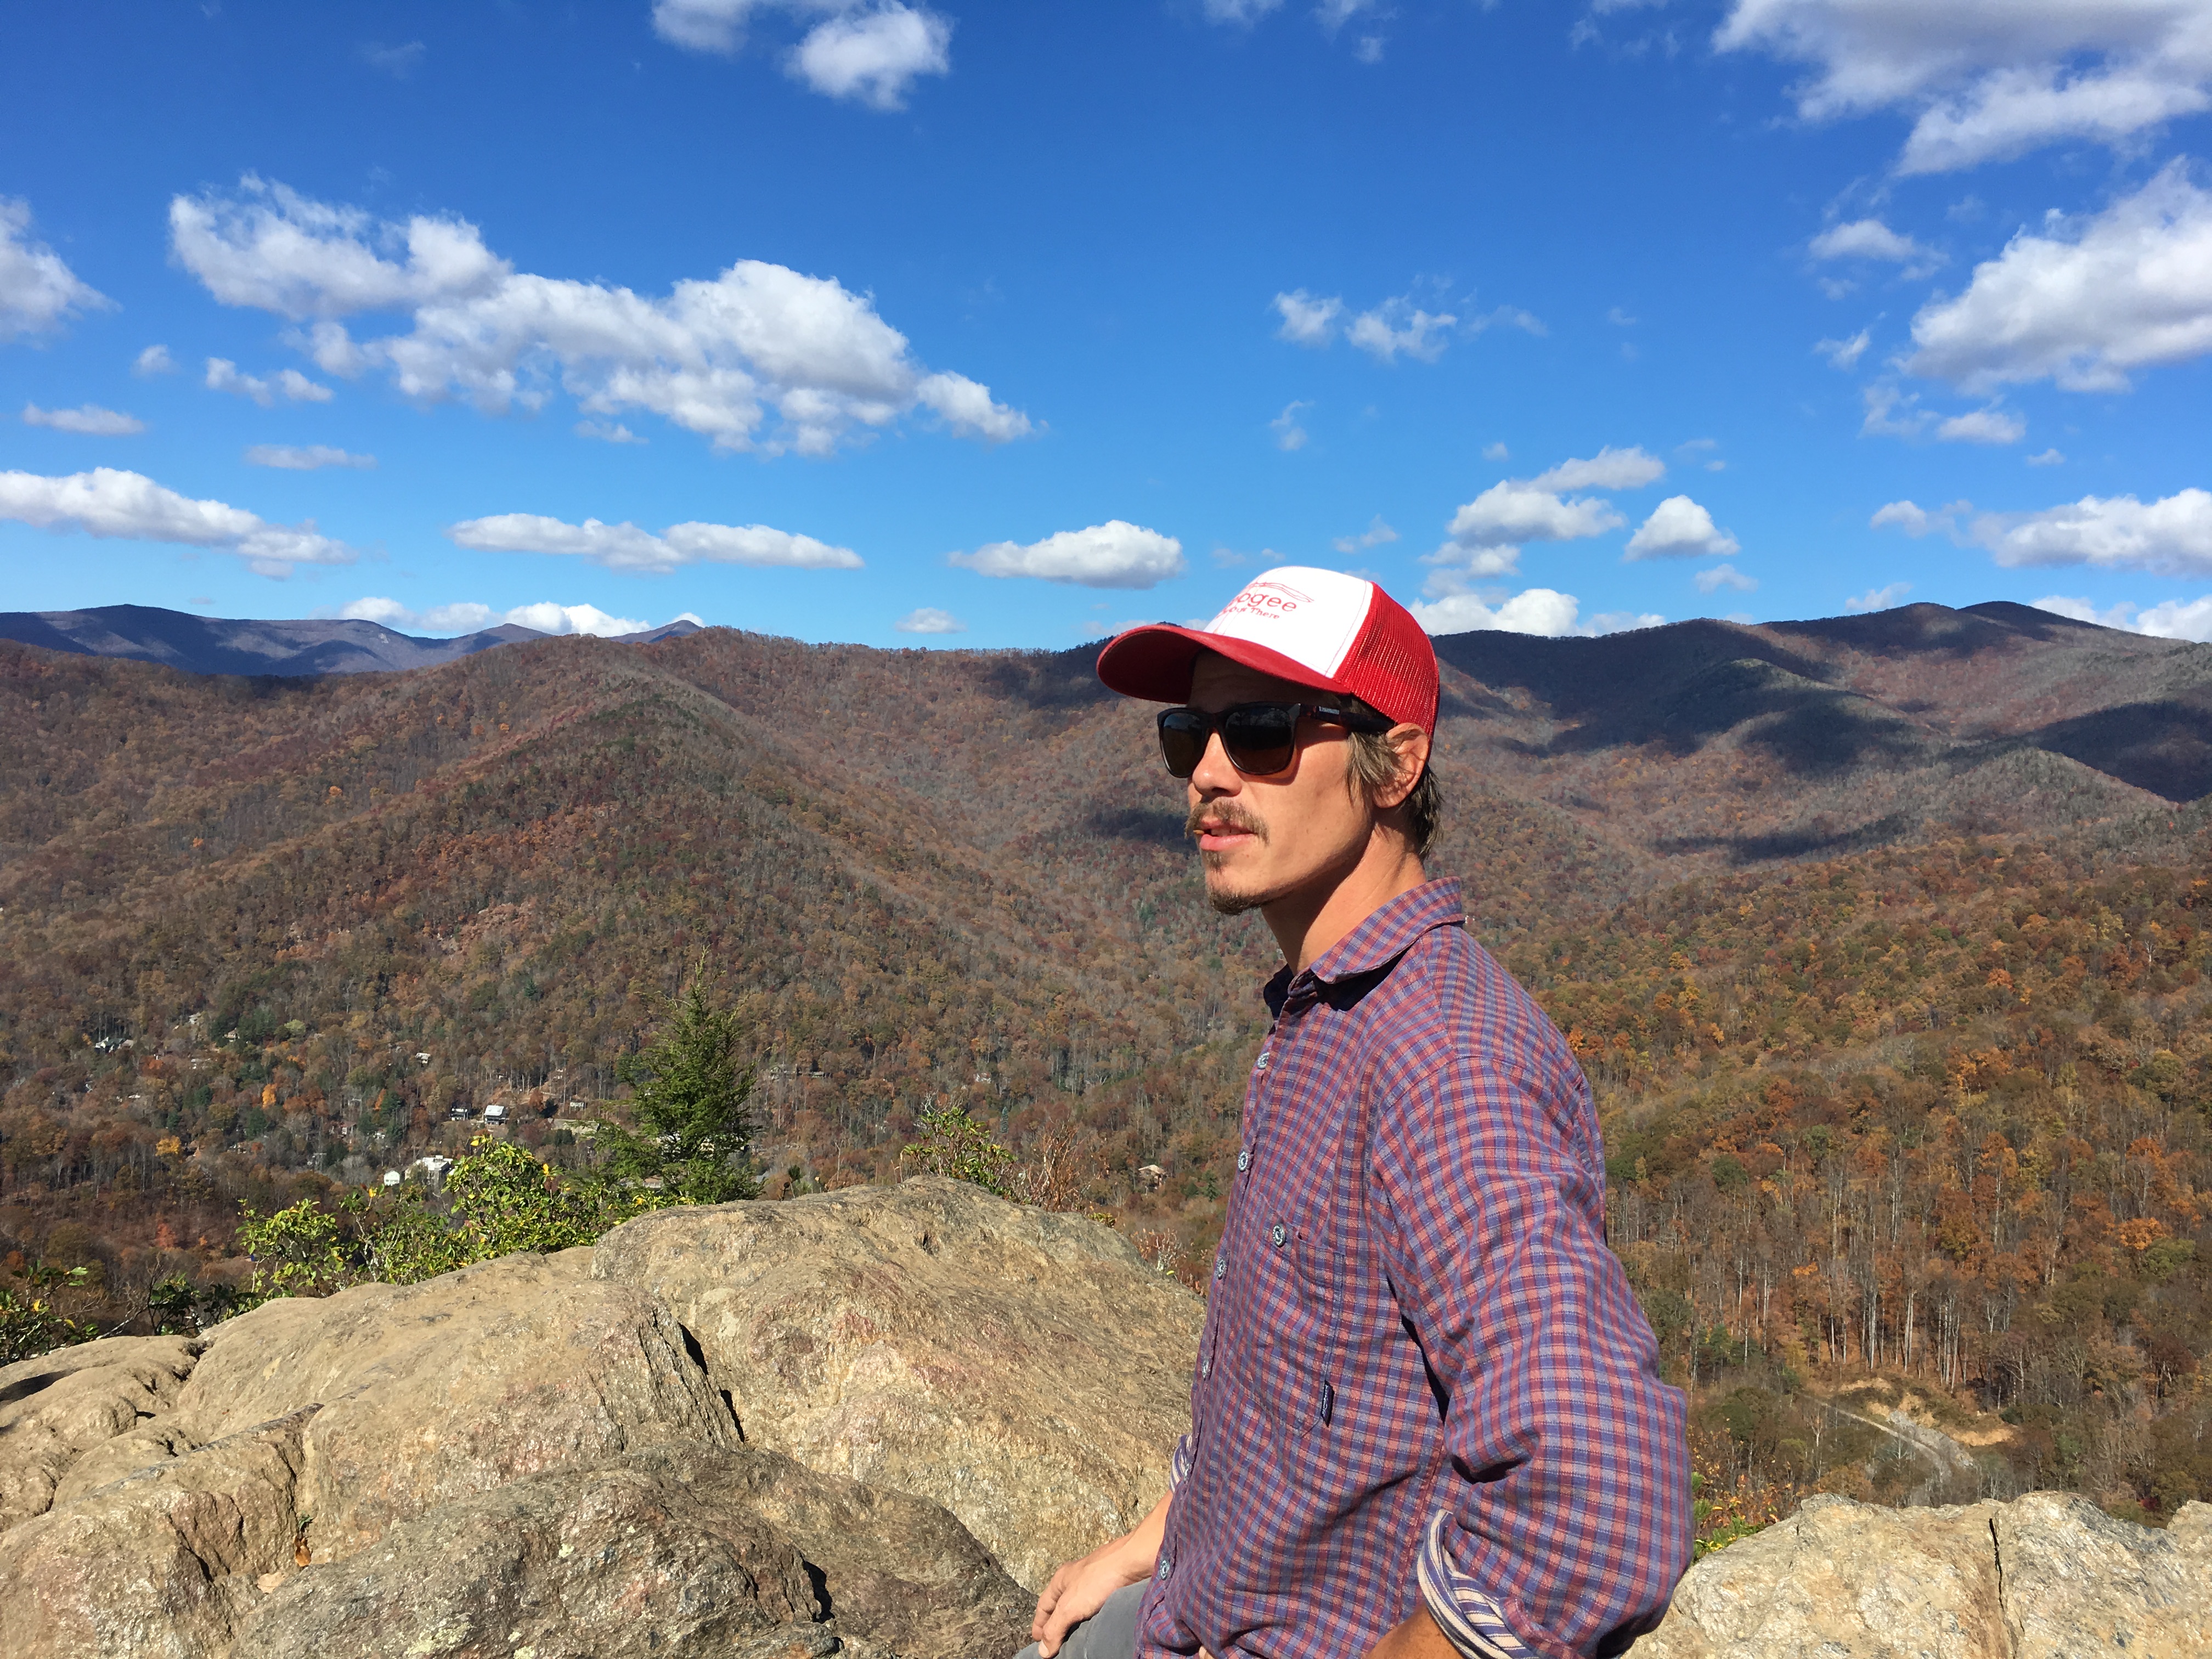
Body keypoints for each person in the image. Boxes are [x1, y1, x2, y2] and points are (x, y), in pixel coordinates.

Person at [1017, 568, 1689, 1659]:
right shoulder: (1327, 1019)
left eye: (1266, 732)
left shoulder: (1443, 1064)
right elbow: (1300, 1393)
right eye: (1189, 734)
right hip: (1203, 1604)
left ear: (1397, 763)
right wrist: (1160, 1537)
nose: (1210, 774)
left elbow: (1600, 1498)